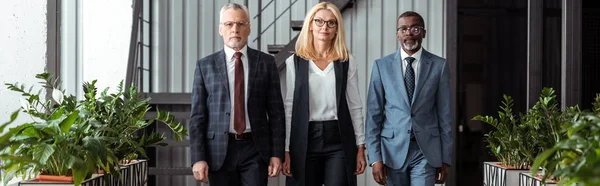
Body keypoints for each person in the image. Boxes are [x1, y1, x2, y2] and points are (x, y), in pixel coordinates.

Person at [189, 3, 285, 186]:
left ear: (249, 28)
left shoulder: (266, 63)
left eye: (241, 24)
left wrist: (276, 153)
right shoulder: (205, 66)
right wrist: (198, 157)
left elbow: (276, 113)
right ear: (220, 29)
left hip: (255, 149)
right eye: (229, 24)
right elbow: (197, 117)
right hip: (218, 152)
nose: (235, 29)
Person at [280, 2, 366, 186]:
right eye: (318, 21)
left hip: (339, 139)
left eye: (331, 23)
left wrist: (360, 146)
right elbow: (289, 107)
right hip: (304, 138)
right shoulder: (294, 62)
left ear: (337, 29)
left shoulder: (346, 61)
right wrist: (286, 148)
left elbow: (354, 105)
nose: (324, 27)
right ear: (310, 25)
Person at [365, 11, 453, 186]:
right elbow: (373, 116)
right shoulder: (381, 66)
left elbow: (445, 116)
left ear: (424, 33)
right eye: (403, 29)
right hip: (392, 151)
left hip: (425, 152)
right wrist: (375, 159)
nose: (409, 33)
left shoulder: (439, 66)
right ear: (397, 35)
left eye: (415, 28)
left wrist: (445, 159)